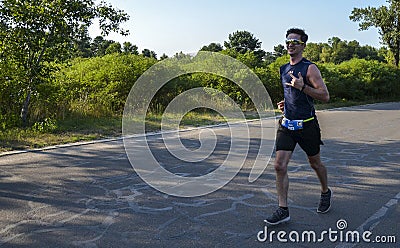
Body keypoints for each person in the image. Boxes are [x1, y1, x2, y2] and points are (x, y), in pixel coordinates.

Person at [265, 28, 332, 225]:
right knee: (279, 165)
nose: (290, 44)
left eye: (295, 41)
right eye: (288, 41)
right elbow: (292, 93)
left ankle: (325, 191)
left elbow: (325, 96)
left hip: (307, 125)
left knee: (315, 163)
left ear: (303, 45)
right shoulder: (283, 69)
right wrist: (287, 102)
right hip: (287, 124)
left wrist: (302, 87)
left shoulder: (310, 69)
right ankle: (283, 209)